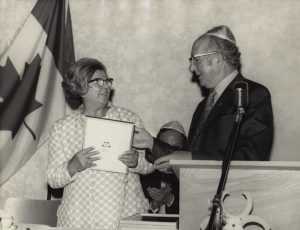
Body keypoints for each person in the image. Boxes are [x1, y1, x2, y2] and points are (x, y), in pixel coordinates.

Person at [133, 25, 274, 169]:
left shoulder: (253, 94)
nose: (191, 68)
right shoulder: (203, 106)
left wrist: (192, 159)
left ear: (217, 59)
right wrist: (151, 143)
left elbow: (251, 157)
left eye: (195, 60)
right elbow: (188, 157)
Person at [46, 58, 154, 229]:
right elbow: (52, 178)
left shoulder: (129, 119)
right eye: (99, 82)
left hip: (125, 216)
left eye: (107, 81)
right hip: (79, 219)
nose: (106, 86)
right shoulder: (62, 127)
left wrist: (136, 162)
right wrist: (72, 166)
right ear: (80, 87)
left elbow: (150, 164)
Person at [140, 121, 187, 214]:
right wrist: (154, 205)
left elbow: (194, 214)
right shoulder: (144, 173)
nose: (169, 153)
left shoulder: (189, 177)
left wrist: (170, 199)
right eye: (163, 146)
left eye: (175, 148)